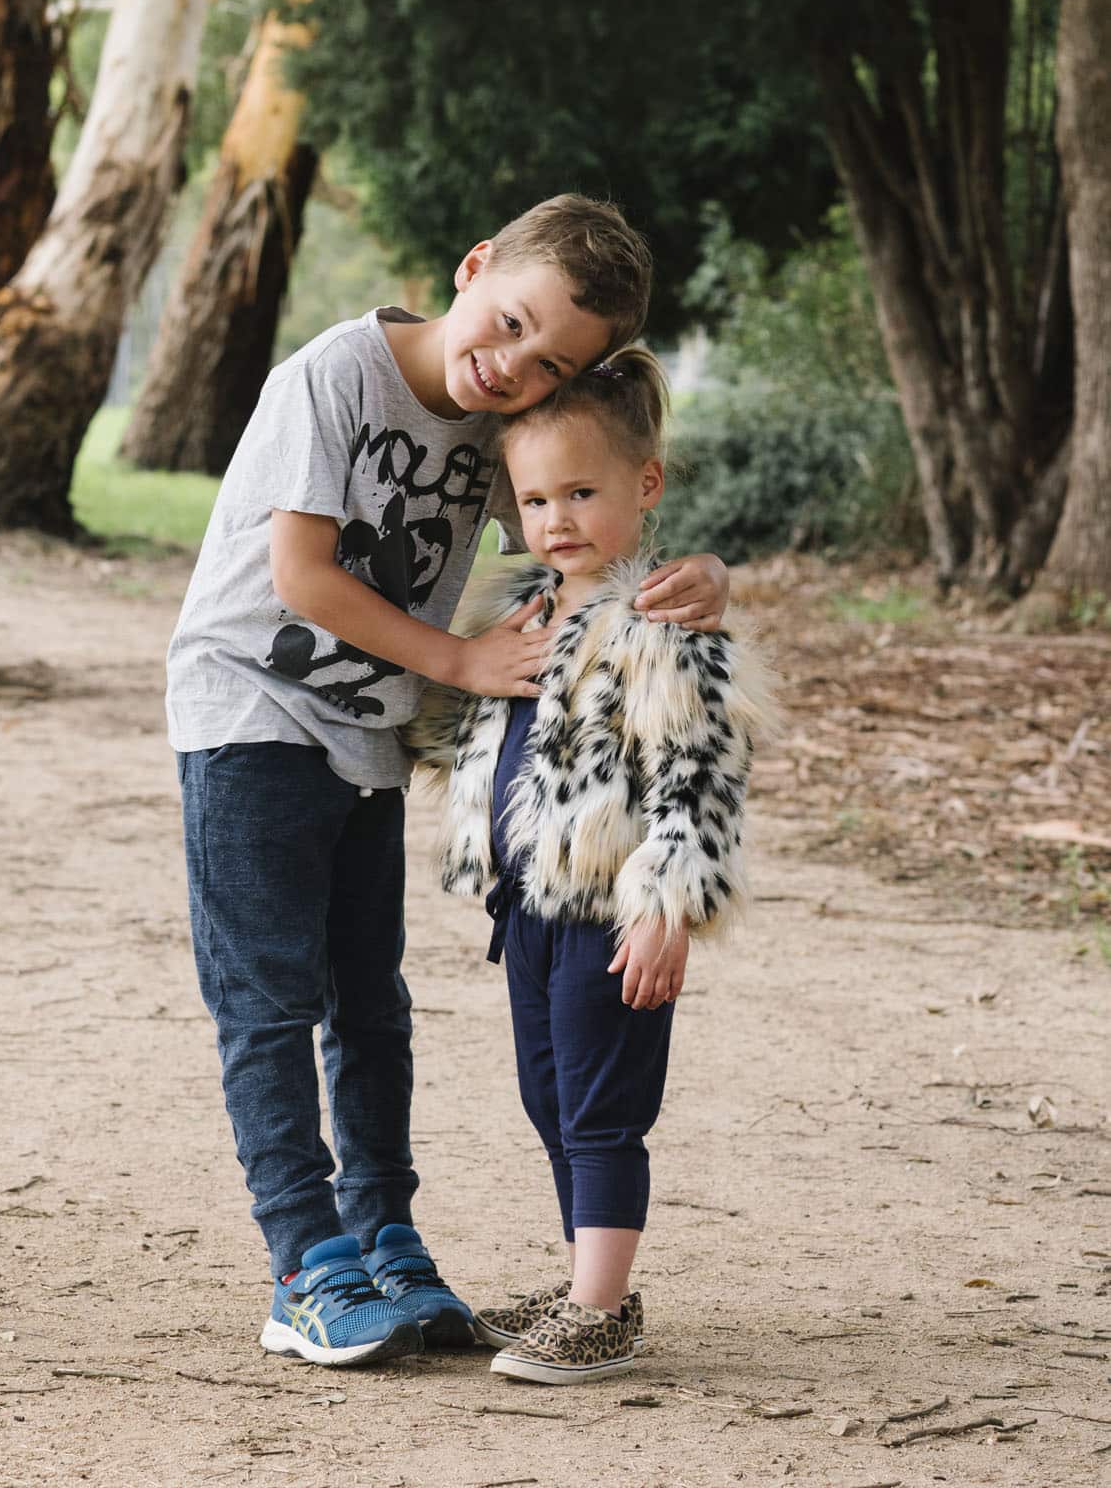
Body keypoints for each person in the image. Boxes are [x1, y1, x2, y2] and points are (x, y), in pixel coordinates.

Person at [165, 194, 733, 1369]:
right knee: (271, 1000)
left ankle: (385, 1235)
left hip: (366, 737)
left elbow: (589, 511)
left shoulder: (499, 424)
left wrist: (704, 575)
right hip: (249, 712)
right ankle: (304, 1260)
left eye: (552, 364)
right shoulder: (336, 377)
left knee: (371, 1006)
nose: (515, 366)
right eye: (513, 322)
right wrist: (463, 661)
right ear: (475, 266)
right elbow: (303, 576)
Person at [404, 347, 777, 1385]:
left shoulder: (665, 624)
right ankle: (587, 1285)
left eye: (581, 492)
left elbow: (698, 779)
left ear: (644, 485)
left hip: (611, 911)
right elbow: (453, 738)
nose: (557, 518)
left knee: (603, 1108)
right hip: (527, 904)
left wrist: (666, 908)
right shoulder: (524, 613)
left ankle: (602, 1313)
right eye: (535, 500)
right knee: (548, 1096)